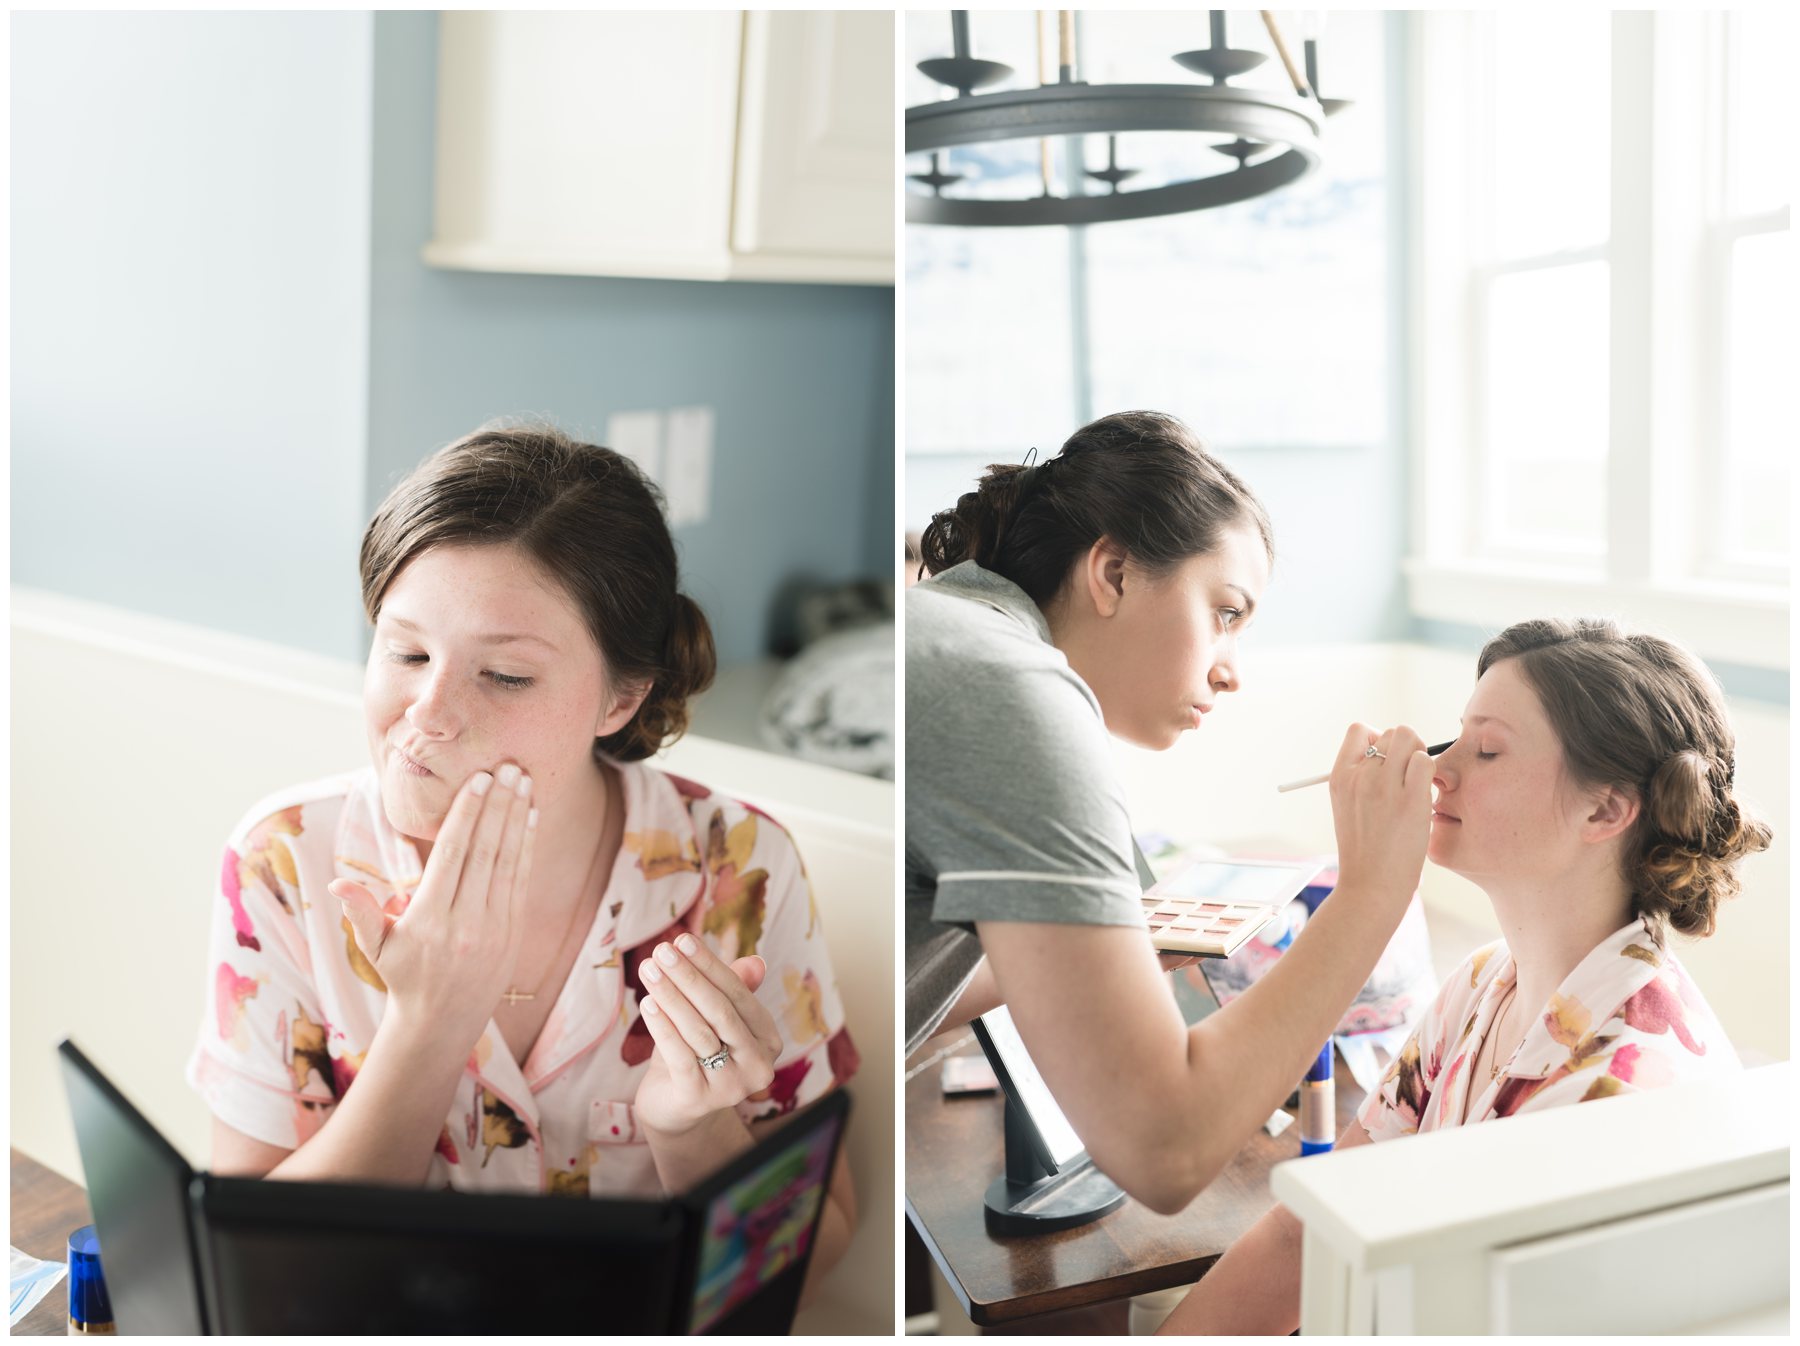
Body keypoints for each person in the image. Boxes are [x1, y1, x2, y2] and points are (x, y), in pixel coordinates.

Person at [185, 423, 859, 1291]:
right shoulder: (284, 864)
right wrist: (427, 1029)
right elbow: (247, 1273)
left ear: (621, 697)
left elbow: (825, 1238)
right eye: (407, 651)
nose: (427, 713)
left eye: (504, 676)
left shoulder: (737, 865)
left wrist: (691, 1127)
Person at [1159, 617, 1771, 1335]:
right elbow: (1308, 1231)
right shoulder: (1483, 985)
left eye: (1486, 750)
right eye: (1458, 737)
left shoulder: (1613, 1095)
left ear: (1604, 809)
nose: (1437, 772)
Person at [906, 409, 1437, 1213]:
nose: (1232, 673)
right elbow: (1164, 1149)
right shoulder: (1015, 694)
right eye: (1226, 613)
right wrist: (1371, 893)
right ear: (1114, 572)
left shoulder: (956, 636)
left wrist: (1121, 951)